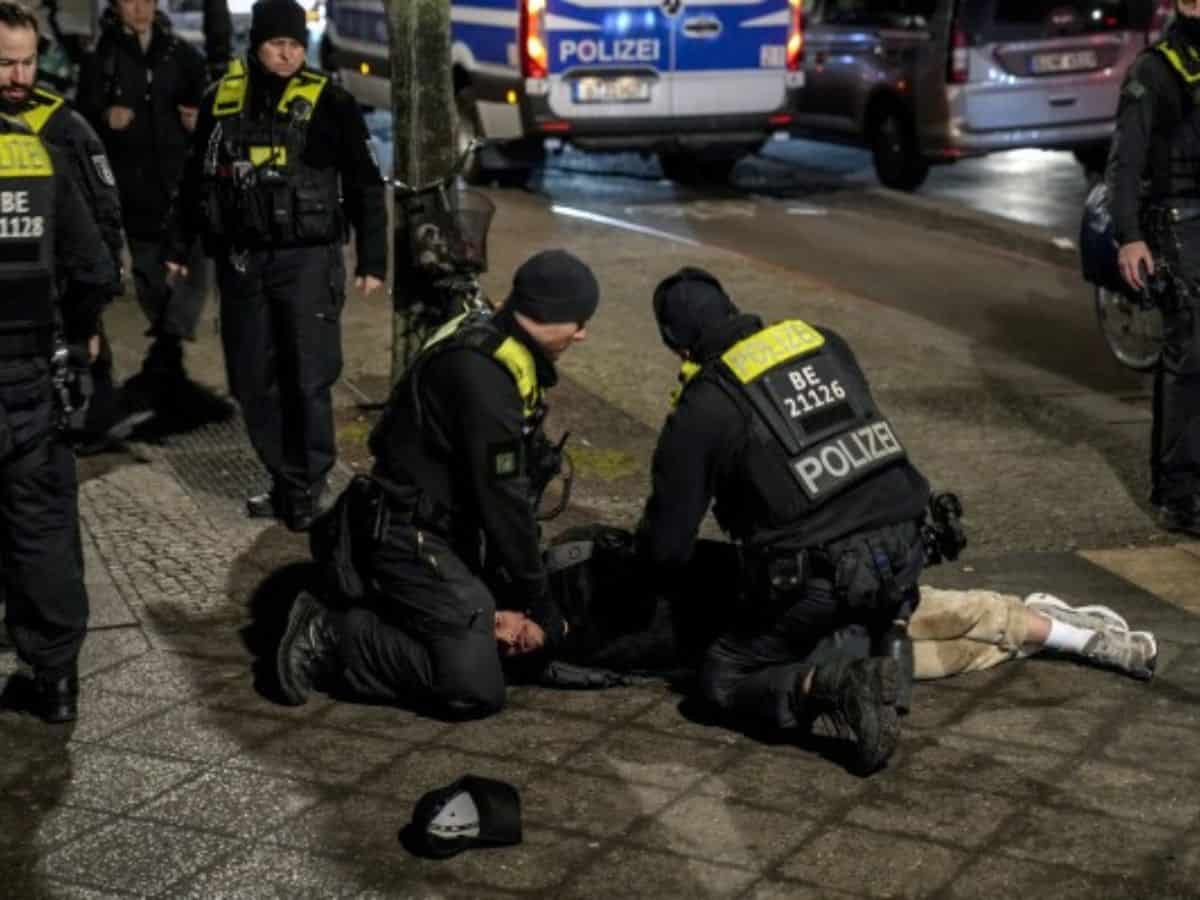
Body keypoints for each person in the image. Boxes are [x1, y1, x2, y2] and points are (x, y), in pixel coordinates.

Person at [274, 249, 598, 719]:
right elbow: (503, 499)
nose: (582, 334)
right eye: (579, 322)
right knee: (473, 686)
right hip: (407, 530)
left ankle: (423, 614)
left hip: (448, 526)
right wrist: (536, 598)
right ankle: (331, 634)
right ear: (549, 315)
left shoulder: (498, 340)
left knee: (516, 632)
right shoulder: (483, 376)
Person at [633, 267, 932, 774]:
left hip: (824, 578)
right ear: (732, 308)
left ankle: (835, 686)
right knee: (859, 581)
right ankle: (891, 634)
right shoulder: (822, 341)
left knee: (722, 676)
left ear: (678, 347)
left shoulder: (705, 403)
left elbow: (666, 548)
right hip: (910, 545)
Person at [164, 0, 386, 530]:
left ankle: (308, 483)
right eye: (275, 44)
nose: (286, 55)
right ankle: (284, 478)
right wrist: (179, 244)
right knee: (251, 380)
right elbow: (196, 179)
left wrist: (372, 259)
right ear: (256, 45)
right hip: (242, 262)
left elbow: (365, 184)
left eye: (294, 45)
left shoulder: (331, 101)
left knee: (307, 376)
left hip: (307, 261)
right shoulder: (221, 100)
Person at [502, 528, 1158, 686]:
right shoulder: (558, 663)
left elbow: (674, 551)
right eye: (501, 649)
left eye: (501, 627)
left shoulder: (578, 564)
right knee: (921, 664)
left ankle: (1072, 634)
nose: (509, 641)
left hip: (777, 596)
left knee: (927, 613)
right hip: (764, 655)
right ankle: (1036, 630)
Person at [0, 113, 116, 722]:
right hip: (27, 375)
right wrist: (77, 330)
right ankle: (55, 681)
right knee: (40, 524)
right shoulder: (34, 155)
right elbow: (94, 267)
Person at [76, 0, 220, 434]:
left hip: (180, 183)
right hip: (133, 189)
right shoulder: (101, 58)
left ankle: (169, 342)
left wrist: (198, 119)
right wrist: (106, 116)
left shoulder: (181, 53)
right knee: (149, 273)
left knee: (197, 264)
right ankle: (166, 349)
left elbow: (207, 105)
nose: (139, 9)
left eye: (146, 0)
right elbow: (82, 116)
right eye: (131, 1)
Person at [0, 1, 124, 446]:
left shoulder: (63, 127)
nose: (20, 77)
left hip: (51, 317)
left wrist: (89, 320)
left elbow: (104, 221)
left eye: (28, 62)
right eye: (6, 64)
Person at [1109, 0, 1200, 536]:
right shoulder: (1156, 69)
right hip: (1177, 219)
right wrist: (1130, 235)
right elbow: (1126, 159)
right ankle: (1179, 492)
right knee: (1191, 353)